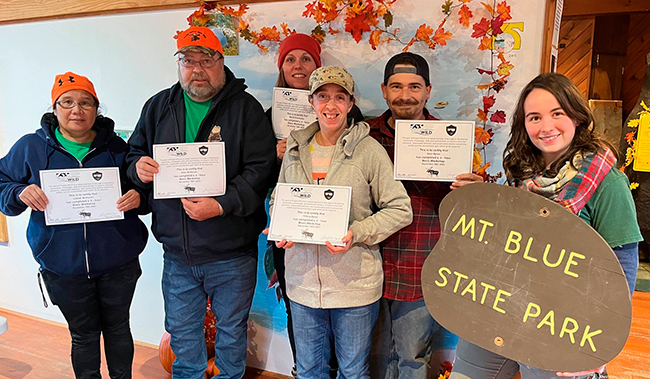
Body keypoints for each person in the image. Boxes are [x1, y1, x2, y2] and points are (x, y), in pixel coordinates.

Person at [449, 73, 642, 379]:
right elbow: (511, 237)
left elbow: (622, 270)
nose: (546, 126)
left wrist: (598, 344)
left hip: (561, 322)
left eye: (557, 114)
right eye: (535, 117)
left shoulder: (608, 182)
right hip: (503, 305)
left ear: (577, 117)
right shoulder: (520, 173)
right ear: (524, 124)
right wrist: (482, 196)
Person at [125, 26, 276, 379]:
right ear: (179, 65)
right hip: (177, 254)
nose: (197, 69)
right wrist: (137, 168)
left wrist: (221, 204)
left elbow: (261, 170)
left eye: (206, 60)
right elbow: (134, 153)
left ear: (221, 63)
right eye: (188, 61)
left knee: (231, 333)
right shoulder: (158, 106)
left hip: (231, 253)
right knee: (183, 336)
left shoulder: (246, 109)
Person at [0, 71, 148, 379]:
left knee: (119, 328)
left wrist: (138, 196)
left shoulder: (119, 149)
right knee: (83, 335)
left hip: (118, 263)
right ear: (54, 109)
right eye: (66, 102)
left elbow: (146, 188)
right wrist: (18, 191)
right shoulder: (30, 147)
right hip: (62, 266)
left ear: (96, 109)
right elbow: (2, 183)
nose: (76, 110)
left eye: (85, 103)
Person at [269, 66, 413, 379]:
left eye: (339, 97)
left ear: (350, 103)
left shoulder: (369, 150)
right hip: (302, 283)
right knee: (308, 371)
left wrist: (356, 232)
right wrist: (281, 227)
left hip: (354, 286)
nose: (330, 105)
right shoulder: (295, 149)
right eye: (323, 96)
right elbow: (279, 199)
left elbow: (400, 208)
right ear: (312, 102)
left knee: (352, 371)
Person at [367, 52, 482, 379]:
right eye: (397, 86)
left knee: (413, 357)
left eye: (414, 86)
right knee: (370, 356)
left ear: (428, 91)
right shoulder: (365, 136)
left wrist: (471, 191)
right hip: (368, 266)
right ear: (384, 90)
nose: (405, 95)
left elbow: (465, 212)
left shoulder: (451, 142)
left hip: (421, 265)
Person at [266, 32, 364, 377]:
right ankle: (302, 368)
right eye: (290, 59)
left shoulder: (355, 130)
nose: (297, 65)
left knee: (346, 335)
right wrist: (271, 155)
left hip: (343, 252)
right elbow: (261, 176)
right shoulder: (269, 118)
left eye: (305, 59)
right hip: (297, 239)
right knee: (301, 316)